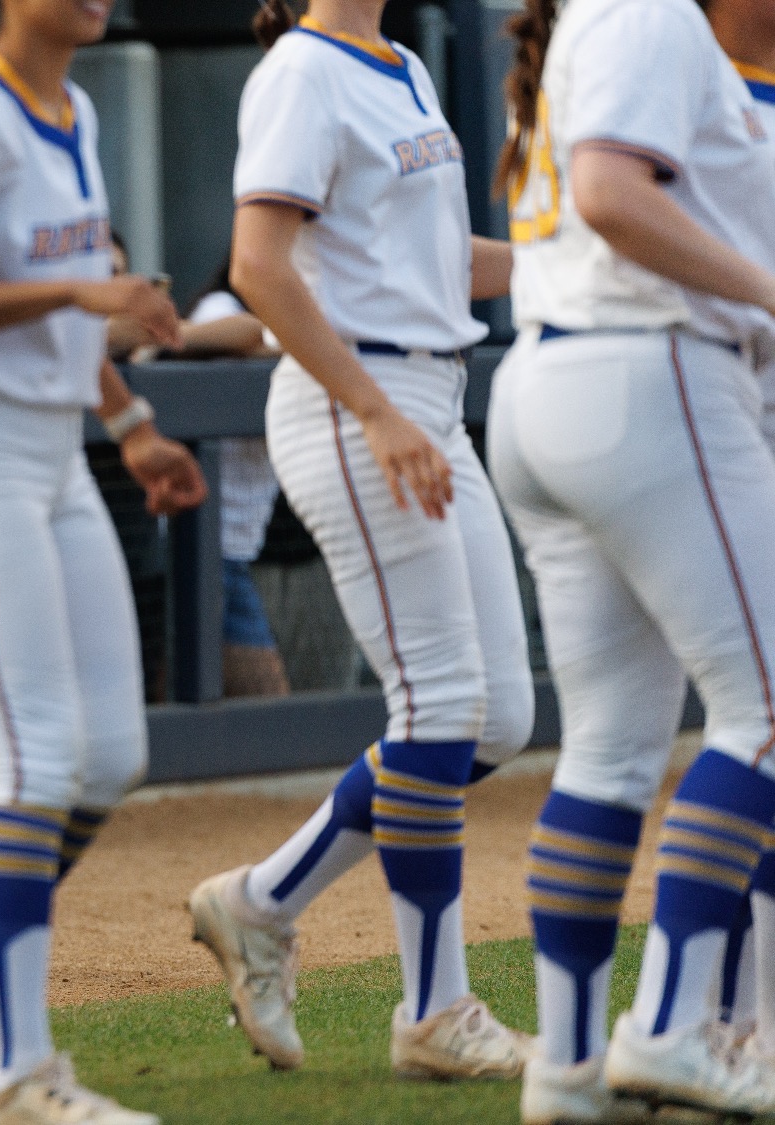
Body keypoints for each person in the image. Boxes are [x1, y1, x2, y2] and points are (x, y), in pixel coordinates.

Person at [186, 0, 535, 1087]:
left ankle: (261, 900)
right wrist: (375, 412)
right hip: (356, 402)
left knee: (498, 720)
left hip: (428, 393)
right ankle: (434, 1010)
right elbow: (258, 267)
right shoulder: (301, 70)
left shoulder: (400, 65)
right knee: (439, 706)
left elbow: (433, 261)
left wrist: (564, 251)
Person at [0, 0, 205, 1120]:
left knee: (108, 758)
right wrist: (77, 289)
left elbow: (66, 317)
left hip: (56, 446)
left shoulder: (73, 109)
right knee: (42, 761)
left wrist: (130, 423)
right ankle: (17, 1072)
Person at [488, 0, 775, 1115]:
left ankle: (567, 1067)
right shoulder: (652, 11)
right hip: (648, 373)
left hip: (558, 382)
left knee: (608, 749)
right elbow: (610, 193)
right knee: (763, 712)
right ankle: (666, 1027)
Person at [712, 0, 775, 1054]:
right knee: (754, 720)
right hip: (731, 418)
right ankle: (731, 1016)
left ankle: (733, 1016)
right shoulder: (695, 82)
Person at [178, 254, 289, 698]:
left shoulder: (298, 322)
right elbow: (246, 333)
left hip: (232, 548)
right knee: (267, 701)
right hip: (200, 544)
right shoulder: (220, 305)